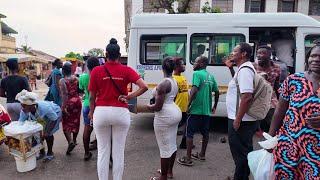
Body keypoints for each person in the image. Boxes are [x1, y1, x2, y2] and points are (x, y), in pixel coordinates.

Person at [88, 38, 148, 180]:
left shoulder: (96, 71)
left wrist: (91, 112)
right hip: (120, 112)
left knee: (103, 151)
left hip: (101, 112)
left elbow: (91, 97)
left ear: (106, 54)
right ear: (119, 55)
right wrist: (128, 97)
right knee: (118, 152)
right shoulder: (126, 70)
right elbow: (144, 86)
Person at [268, 44, 320, 179]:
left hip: (316, 150)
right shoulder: (293, 80)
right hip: (289, 145)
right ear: (308, 58)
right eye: (313, 56)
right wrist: (270, 139)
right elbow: (279, 111)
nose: (316, 59)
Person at [225, 43, 259, 180]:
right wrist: (231, 68)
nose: (232, 53)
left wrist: (237, 119)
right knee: (244, 152)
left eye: (235, 51)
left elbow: (246, 97)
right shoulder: (243, 69)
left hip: (241, 120)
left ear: (243, 54)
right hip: (243, 119)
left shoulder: (245, 70)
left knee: (240, 154)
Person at [177, 56, 219, 166]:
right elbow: (217, 91)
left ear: (200, 63)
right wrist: (214, 106)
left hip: (195, 110)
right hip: (206, 111)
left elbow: (194, 90)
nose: (193, 64)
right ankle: (202, 155)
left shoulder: (197, 74)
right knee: (205, 133)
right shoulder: (211, 76)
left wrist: (188, 105)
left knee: (189, 133)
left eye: (195, 62)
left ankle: (188, 158)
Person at [147, 57, 181, 180]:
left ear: (162, 68)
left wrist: (148, 106)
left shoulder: (163, 84)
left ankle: (163, 177)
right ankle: (169, 172)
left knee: (164, 148)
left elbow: (158, 107)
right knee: (172, 144)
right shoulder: (174, 81)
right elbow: (173, 97)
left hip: (164, 116)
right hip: (174, 112)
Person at [16, 90, 61, 162]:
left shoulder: (44, 107)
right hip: (41, 118)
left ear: (31, 106)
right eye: (21, 105)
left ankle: (50, 153)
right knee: (37, 134)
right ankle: (42, 153)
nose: (22, 108)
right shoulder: (24, 110)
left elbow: (54, 119)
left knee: (48, 135)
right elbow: (20, 123)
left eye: (24, 106)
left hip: (54, 114)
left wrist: (47, 132)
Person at [253, 45, 281, 132]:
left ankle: (274, 141)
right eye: (258, 53)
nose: (259, 55)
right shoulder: (252, 67)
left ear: (270, 55)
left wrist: (280, 102)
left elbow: (277, 86)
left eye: (263, 53)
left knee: (275, 125)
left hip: (271, 100)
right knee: (252, 127)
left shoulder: (277, 68)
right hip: (255, 99)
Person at [79, 56, 100, 160]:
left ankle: (86, 153)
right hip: (99, 105)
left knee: (87, 128)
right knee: (101, 127)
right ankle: (102, 149)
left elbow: (81, 90)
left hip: (87, 105)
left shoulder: (83, 77)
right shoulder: (101, 75)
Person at [59, 62, 82, 155]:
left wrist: (63, 106)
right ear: (71, 70)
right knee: (76, 122)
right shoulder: (77, 78)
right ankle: (75, 140)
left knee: (66, 123)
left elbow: (64, 94)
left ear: (63, 71)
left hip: (68, 103)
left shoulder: (62, 81)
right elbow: (80, 90)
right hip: (77, 101)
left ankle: (70, 141)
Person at [171, 57, 189, 148]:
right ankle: (170, 143)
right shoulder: (173, 79)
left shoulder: (182, 77)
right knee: (174, 127)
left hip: (185, 107)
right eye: (182, 64)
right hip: (177, 107)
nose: (184, 66)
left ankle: (184, 142)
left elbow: (185, 93)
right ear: (176, 67)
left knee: (186, 125)